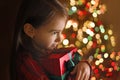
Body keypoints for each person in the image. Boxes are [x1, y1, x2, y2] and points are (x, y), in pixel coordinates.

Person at [10, 0, 91, 80]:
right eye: (55, 32)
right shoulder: (26, 63)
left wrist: (84, 66)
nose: (60, 39)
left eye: (61, 32)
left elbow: (73, 62)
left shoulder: (48, 50)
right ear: (30, 30)